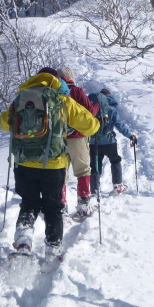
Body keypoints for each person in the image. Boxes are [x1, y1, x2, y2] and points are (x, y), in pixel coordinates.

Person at [0, 67, 99, 260]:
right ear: (56, 80)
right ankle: (52, 250)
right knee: (53, 207)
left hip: (23, 162)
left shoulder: (21, 98)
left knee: (28, 203)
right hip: (53, 164)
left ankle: (23, 241)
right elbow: (90, 126)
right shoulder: (61, 99)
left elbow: (4, 123)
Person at [57, 66, 100, 217]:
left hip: (59, 138)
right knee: (82, 170)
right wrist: (97, 105)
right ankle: (83, 205)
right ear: (71, 77)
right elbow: (90, 113)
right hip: (78, 136)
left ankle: (61, 206)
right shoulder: (77, 91)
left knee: (61, 172)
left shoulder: (54, 93)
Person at [90, 88, 137, 196]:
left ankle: (94, 189)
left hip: (94, 142)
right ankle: (117, 186)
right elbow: (120, 125)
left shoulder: (92, 108)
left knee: (95, 165)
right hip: (109, 142)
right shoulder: (112, 109)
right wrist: (130, 135)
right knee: (115, 161)